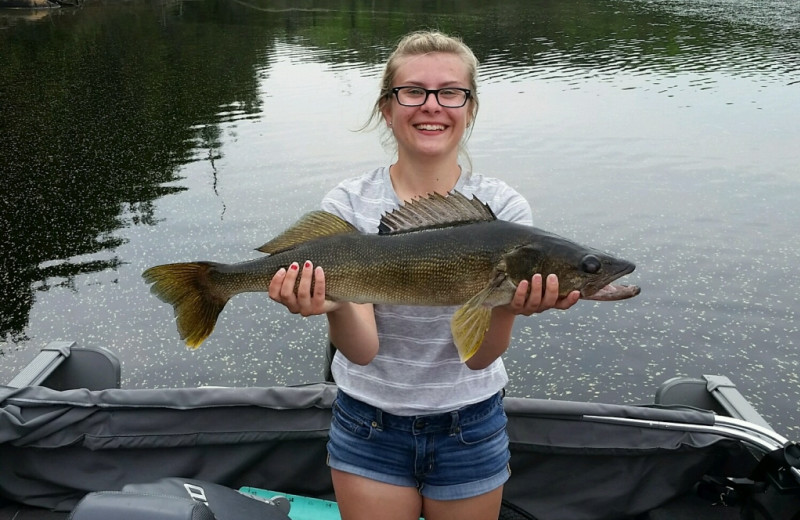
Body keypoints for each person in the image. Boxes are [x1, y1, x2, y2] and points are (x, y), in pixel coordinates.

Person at [268, 30, 580, 520]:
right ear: (387, 108)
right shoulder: (349, 205)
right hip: (367, 424)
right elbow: (362, 351)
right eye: (413, 91)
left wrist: (509, 305)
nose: (431, 105)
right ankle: (210, 287)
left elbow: (479, 359)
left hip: (470, 425)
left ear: (471, 107)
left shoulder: (505, 211)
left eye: (450, 92)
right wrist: (334, 303)